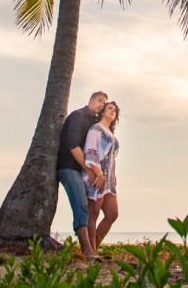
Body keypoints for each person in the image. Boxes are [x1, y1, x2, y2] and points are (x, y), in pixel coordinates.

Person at [57, 91, 107, 260]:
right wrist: (90, 170)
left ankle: (90, 249)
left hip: (77, 168)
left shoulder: (92, 122)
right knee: (81, 205)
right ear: (91, 100)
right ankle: (88, 251)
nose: (101, 105)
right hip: (68, 167)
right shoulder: (78, 115)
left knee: (85, 206)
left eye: (103, 103)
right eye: (99, 101)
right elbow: (72, 146)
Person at [83, 100, 120, 251]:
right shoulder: (96, 129)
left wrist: (114, 175)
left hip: (108, 179)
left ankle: (91, 249)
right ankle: (90, 251)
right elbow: (91, 151)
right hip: (97, 176)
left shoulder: (110, 133)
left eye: (115, 110)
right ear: (103, 111)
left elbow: (111, 157)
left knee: (112, 214)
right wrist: (98, 173)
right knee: (94, 213)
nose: (113, 111)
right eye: (109, 108)